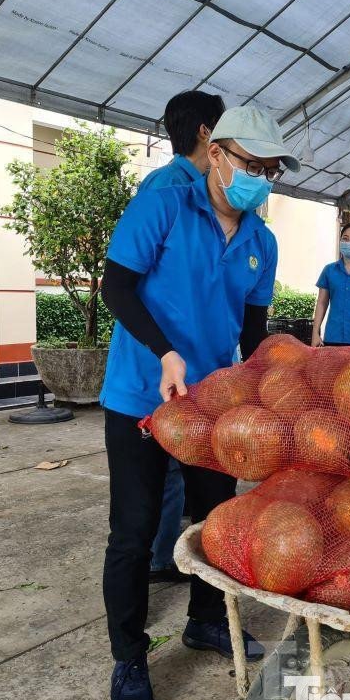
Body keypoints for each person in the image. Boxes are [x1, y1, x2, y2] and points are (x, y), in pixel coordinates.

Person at [100, 105, 300, 700]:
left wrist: (262, 388)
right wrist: (164, 353)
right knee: (134, 533)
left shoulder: (261, 242)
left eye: (270, 170)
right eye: (250, 164)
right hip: (142, 394)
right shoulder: (165, 203)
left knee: (220, 522)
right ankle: (130, 657)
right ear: (215, 155)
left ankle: (207, 620)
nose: (259, 179)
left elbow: (254, 333)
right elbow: (116, 285)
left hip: (215, 411)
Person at [137, 91, 226, 585]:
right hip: (166, 368)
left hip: (205, 368)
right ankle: (160, 557)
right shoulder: (166, 192)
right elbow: (131, 284)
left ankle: (178, 565)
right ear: (207, 136)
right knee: (166, 471)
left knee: (197, 475)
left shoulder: (216, 198)